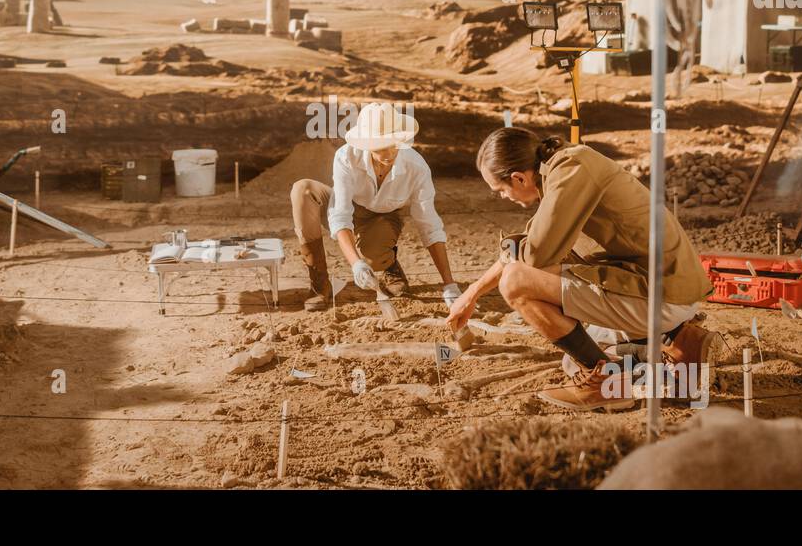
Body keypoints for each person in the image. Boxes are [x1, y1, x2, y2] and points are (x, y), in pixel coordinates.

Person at [447, 127, 718, 412]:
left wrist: (484, 287)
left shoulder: (571, 169)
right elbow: (523, 247)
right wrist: (473, 292)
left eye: (501, 190)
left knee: (516, 283)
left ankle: (607, 385)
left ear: (519, 177)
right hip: (664, 285)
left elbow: (534, 257)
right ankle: (680, 344)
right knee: (575, 353)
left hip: (664, 293)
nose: (503, 196)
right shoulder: (565, 166)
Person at [291, 102, 459, 312]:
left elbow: (429, 224)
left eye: (393, 143)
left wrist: (449, 284)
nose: (388, 152)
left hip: (383, 217)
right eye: (380, 145)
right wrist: (355, 263)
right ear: (366, 142)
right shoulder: (346, 157)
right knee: (303, 190)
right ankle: (319, 284)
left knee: (373, 260)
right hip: (351, 208)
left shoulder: (416, 167)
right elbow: (340, 214)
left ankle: (388, 262)